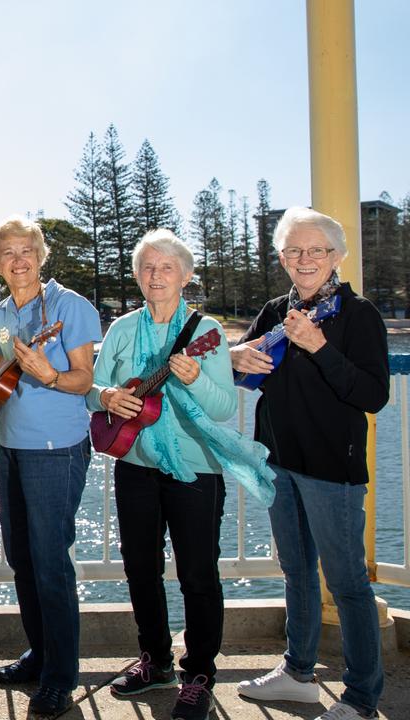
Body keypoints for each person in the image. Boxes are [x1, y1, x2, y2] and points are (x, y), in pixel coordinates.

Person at [88, 229, 273, 720]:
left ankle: (199, 674)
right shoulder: (123, 329)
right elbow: (94, 386)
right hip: (135, 466)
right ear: (136, 275)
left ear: (186, 276)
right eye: (147, 266)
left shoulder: (205, 331)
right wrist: (106, 397)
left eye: (167, 267)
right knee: (140, 569)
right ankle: (155, 661)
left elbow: (221, 406)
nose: (156, 275)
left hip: (195, 472)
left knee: (197, 574)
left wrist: (193, 381)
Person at [232, 208, 388, 720]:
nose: (305, 260)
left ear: (337, 257)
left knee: (347, 584)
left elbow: (373, 394)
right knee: (296, 572)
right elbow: (248, 363)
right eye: (294, 251)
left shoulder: (358, 314)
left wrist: (319, 347)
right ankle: (298, 674)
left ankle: (362, 696)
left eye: (316, 250)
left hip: (332, 471)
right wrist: (237, 358)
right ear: (281, 258)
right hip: (278, 464)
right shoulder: (276, 310)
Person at [0, 217, 99, 716]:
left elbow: (83, 380)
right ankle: (40, 653)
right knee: (22, 559)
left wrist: (50, 375)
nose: (18, 259)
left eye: (26, 249)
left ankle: (61, 675)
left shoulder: (72, 306)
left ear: (41, 254)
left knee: (51, 563)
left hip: (57, 448)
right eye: (7, 252)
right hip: (9, 446)